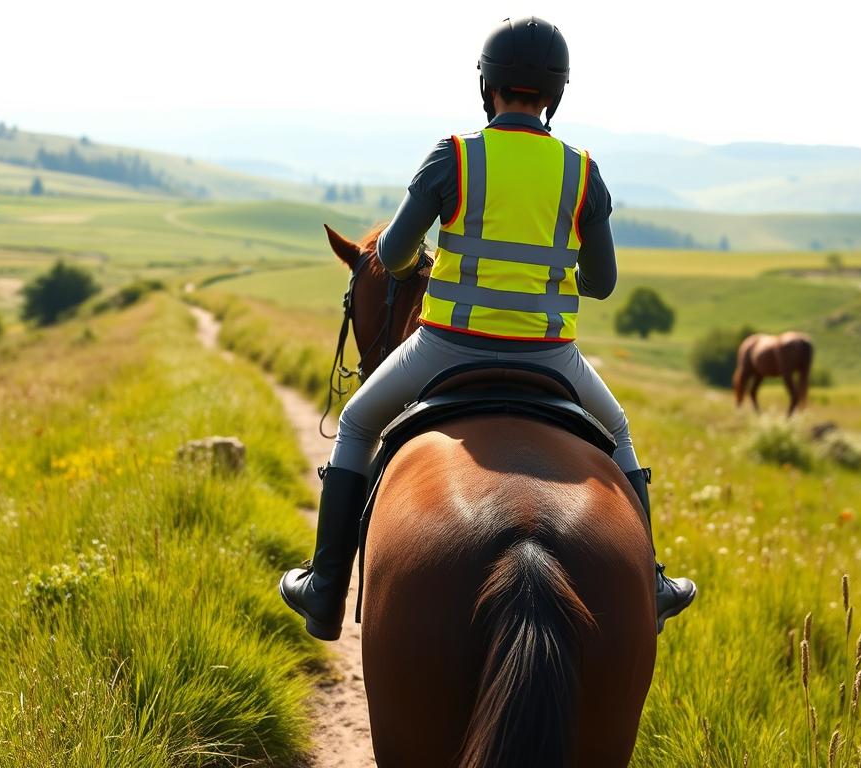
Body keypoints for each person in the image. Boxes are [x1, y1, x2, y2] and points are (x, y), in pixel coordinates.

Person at [280, 16, 696, 640]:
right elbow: (603, 281)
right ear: (555, 94)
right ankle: (651, 584)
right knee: (618, 431)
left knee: (358, 422)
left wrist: (416, 261)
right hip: (551, 357)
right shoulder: (583, 171)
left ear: (487, 86)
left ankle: (325, 590)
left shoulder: (454, 156)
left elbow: (392, 254)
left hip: (445, 347)